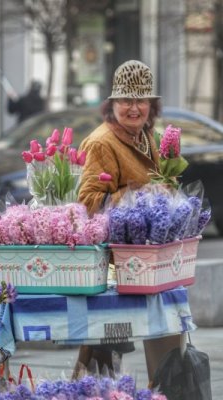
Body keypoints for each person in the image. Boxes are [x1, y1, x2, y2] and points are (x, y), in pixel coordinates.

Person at [75, 59, 182, 382]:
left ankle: (164, 388)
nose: (133, 108)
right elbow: (87, 203)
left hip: (149, 261)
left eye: (141, 101)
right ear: (112, 105)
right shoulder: (101, 142)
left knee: (166, 331)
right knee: (104, 347)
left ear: (151, 105)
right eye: (126, 100)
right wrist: (140, 193)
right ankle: (90, 391)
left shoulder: (147, 136)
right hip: (114, 265)